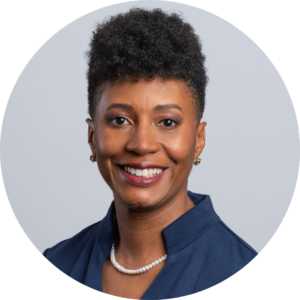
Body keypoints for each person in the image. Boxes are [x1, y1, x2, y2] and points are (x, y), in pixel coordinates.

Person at [43, 8, 257, 299]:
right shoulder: (55, 266)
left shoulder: (248, 277)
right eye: (120, 120)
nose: (142, 144)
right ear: (93, 138)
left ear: (198, 140)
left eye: (167, 122)